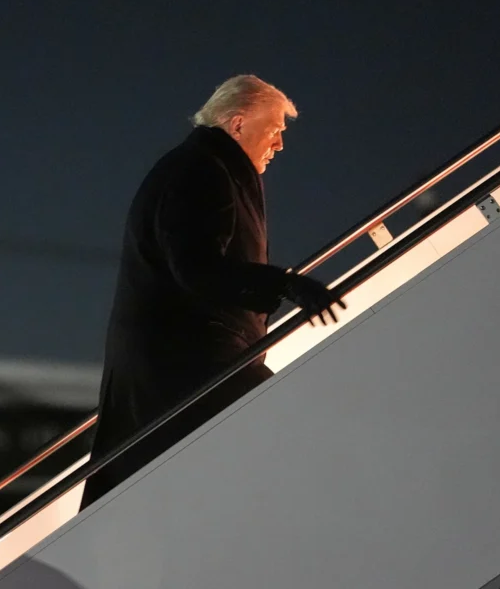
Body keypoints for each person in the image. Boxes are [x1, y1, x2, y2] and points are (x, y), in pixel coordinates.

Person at [80, 75, 345, 510]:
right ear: (238, 124)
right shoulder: (201, 171)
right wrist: (287, 284)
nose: (278, 145)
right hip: (188, 363)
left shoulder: (204, 166)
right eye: (274, 130)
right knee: (289, 435)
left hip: (182, 361)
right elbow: (198, 269)